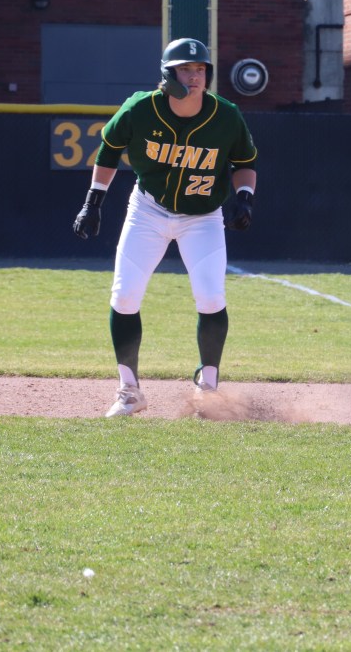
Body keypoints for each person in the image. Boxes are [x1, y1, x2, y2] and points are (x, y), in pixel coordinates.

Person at [72, 37, 258, 417]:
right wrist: (93, 202)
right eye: (185, 69)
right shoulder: (141, 108)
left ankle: (208, 389)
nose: (195, 76)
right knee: (124, 296)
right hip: (149, 210)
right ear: (167, 75)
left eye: (201, 69)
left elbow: (245, 161)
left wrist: (244, 197)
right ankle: (130, 391)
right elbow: (109, 149)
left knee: (210, 297)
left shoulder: (225, 115)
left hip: (202, 217)